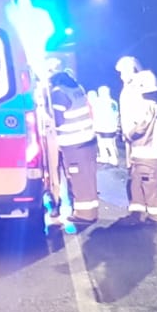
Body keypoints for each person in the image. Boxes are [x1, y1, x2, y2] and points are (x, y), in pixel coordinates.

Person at [117, 55, 157, 223]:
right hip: (143, 150)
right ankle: (137, 212)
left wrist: (129, 134)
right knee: (137, 180)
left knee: (148, 183)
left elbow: (141, 125)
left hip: (147, 150)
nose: (121, 76)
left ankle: (156, 216)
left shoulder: (149, 105)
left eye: (123, 72)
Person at [49, 68, 100, 228]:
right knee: (88, 178)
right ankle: (91, 212)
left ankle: (84, 215)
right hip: (88, 140)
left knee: (78, 180)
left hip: (73, 143)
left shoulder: (58, 93)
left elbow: (57, 120)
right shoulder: (77, 89)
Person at [91, 84, 120, 166]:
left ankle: (113, 158)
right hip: (108, 127)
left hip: (103, 127)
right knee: (104, 144)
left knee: (107, 144)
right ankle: (105, 157)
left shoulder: (99, 102)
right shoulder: (113, 102)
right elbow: (116, 114)